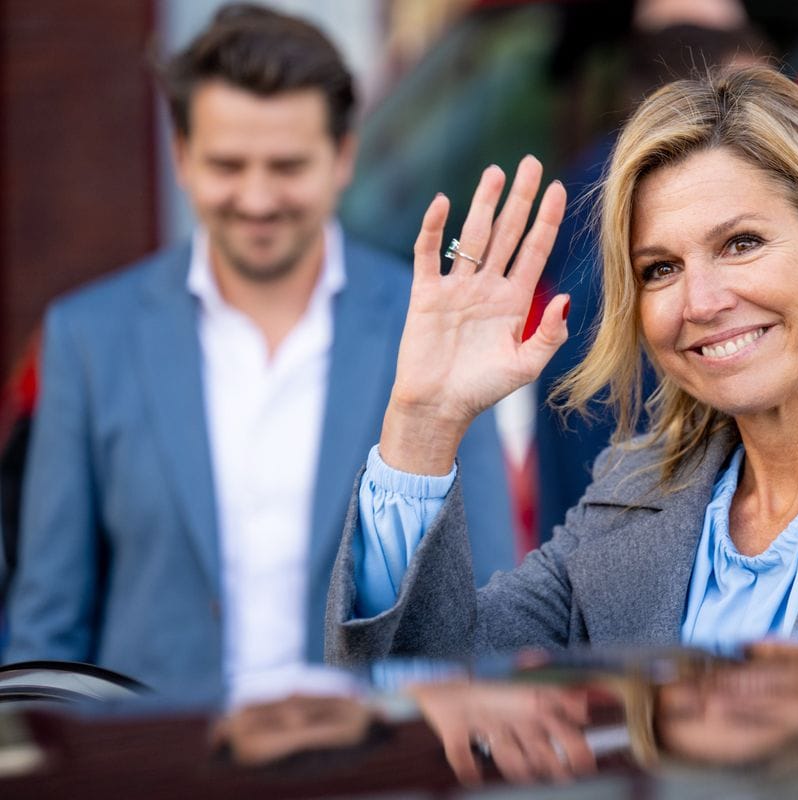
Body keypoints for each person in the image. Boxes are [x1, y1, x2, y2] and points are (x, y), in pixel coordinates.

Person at [327, 67, 798, 669]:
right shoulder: (630, 499)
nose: (700, 300)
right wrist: (423, 425)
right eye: (659, 269)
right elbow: (426, 686)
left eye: (741, 244)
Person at [2, 4, 513, 703]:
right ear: (181, 157)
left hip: (372, 768)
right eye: (227, 164)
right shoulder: (88, 337)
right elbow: (46, 627)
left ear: (343, 156)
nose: (257, 197)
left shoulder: (428, 326)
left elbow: (485, 602)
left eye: (286, 165)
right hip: (152, 771)